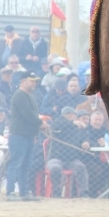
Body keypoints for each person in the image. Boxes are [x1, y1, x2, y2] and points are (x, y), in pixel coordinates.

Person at [7, 72, 48, 200]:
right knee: (15, 164)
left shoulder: (29, 96)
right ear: (23, 81)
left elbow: (32, 115)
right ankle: (10, 193)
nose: (34, 83)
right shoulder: (19, 95)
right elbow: (28, 115)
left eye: (35, 81)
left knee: (25, 165)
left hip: (29, 136)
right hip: (19, 136)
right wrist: (41, 123)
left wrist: (39, 124)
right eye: (32, 81)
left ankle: (24, 192)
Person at [45, 107, 89, 197]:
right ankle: (56, 193)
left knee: (81, 167)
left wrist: (86, 142)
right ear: (70, 115)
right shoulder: (58, 123)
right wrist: (72, 123)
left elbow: (84, 137)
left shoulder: (76, 128)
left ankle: (83, 193)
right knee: (55, 168)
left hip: (71, 159)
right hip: (56, 158)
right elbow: (55, 125)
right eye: (74, 116)